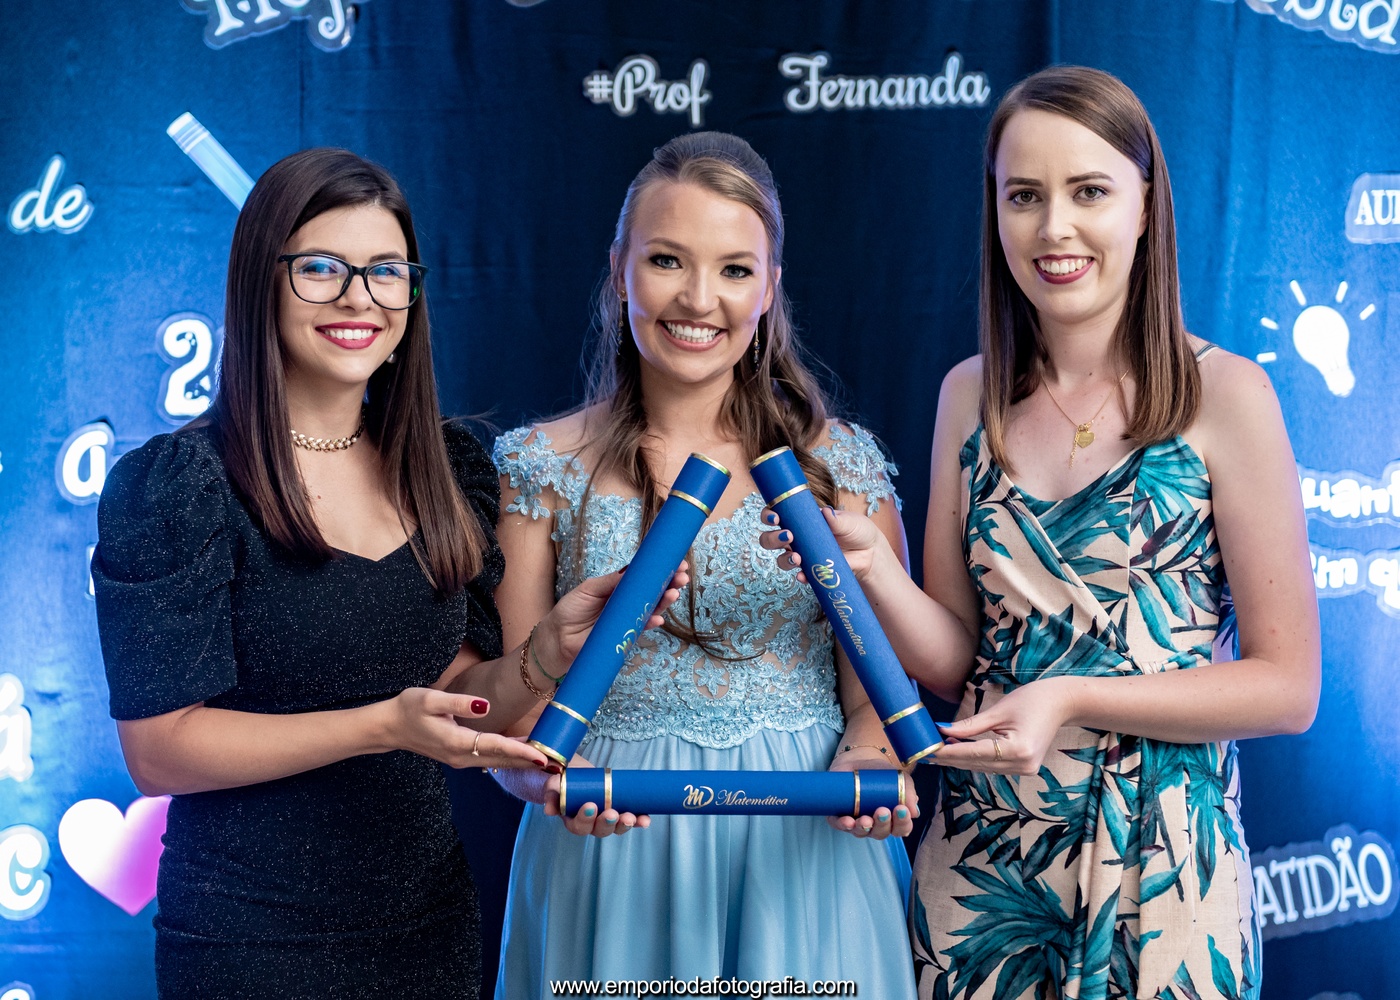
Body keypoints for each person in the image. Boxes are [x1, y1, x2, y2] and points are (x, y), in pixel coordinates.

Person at [764, 67, 1319, 1000]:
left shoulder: (1227, 395)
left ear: (1146, 206)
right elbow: (958, 663)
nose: (1054, 227)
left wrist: (1067, 697)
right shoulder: (967, 395)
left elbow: (1288, 688)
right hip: (985, 867)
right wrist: (872, 570)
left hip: (1164, 867)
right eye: (1024, 196)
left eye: (1089, 191)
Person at [91, 147, 681, 1000]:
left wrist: (546, 656)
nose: (358, 298)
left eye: (385, 271)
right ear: (260, 281)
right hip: (249, 942)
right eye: (321, 269)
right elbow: (160, 751)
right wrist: (380, 726)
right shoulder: (180, 484)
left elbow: (460, 699)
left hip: (426, 932)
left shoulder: (446, 468)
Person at [489, 131, 919, 996]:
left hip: (806, 852)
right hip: (613, 851)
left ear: (769, 288)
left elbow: (878, 688)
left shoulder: (839, 464)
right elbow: (507, 725)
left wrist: (873, 761)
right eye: (666, 261)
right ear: (620, 271)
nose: (698, 298)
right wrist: (543, 782)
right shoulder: (538, 467)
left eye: (733, 269)